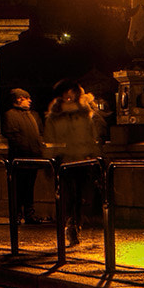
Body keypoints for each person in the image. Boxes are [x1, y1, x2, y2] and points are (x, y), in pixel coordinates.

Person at [46, 79, 104, 244]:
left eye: (72, 92)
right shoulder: (54, 115)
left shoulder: (85, 113)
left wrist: (95, 156)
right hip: (64, 160)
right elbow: (49, 139)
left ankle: (76, 224)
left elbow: (92, 137)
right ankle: (70, 224)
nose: (68, 95)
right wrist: (52, 158)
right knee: (68, 195)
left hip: (83, 159)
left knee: (80, 196)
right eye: (65, 92)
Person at [2, 88, 46, 224]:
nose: (30, 101)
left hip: (32, 157)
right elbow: (12, 136)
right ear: (19, 99)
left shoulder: (33, 115)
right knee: (18, 188)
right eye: (27, 98)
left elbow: (38, 134)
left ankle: (28, 214)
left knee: (29, 188)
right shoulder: (10, 115)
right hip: (20, 158)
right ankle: (17, 214)